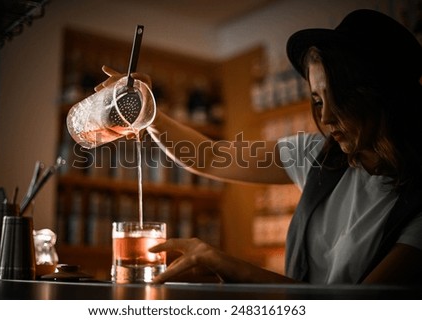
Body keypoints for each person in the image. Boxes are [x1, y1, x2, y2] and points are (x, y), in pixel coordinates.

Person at [95, 9, 422, 285]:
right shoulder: (317, 155)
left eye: (340, 100)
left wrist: (231, 266)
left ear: (383, 97)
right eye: (317, 100)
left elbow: (365, 309)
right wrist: (148, 111)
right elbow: (210, 157)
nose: (325, 117)